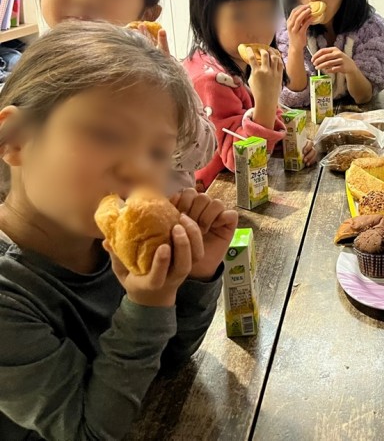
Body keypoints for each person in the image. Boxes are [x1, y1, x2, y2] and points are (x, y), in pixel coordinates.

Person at [0, 22, 238, 440]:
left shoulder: (112, 244)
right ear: (15, 139)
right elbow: (88, 432)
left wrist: (193, 277)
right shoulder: (9, 297)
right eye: (107, 135)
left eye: (158, 152)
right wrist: (147, 305)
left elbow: (166, 362)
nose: (138, 170)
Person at [38, 0, 215, 193]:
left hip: (157, 213)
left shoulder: (161, 71)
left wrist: (166, 99)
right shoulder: (38, 71)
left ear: (147, 14)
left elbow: (200, 153)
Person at [184, 0, 315, 189]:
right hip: (214, 193)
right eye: (240, 16)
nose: (257, 29)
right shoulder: (210, 80)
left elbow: (266, 120)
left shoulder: (240, 62)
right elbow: (240, 159)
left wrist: (290, 141)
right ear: (206, 18)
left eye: (265, 13)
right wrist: (266, 100)